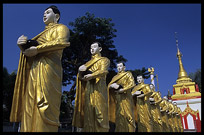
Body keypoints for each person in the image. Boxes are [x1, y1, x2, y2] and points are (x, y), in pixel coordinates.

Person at [9, 5, 70, 132]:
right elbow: (29, 54)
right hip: (34, 71)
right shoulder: (40, 35)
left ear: (57, 16)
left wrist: (37, 49)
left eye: (48, 12)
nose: (44, 15)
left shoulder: (61, 28)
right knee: (29, 105)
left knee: (44, 103)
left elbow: (62, 43)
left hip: (49, 70)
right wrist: (23, 47)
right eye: (43, 13)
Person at [72, 42, 110, 132]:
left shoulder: (104, 60)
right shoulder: (87, 63)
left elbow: (103, 71)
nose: (92, 49)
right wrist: (80, 72)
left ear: (100, 49)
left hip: (99, 88)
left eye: (94, 47)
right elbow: (82, 78)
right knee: (88, 112)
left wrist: (92, 75)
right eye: (90, 48)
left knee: (99, 111)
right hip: (89, 89)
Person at [108, 62, 136, 132]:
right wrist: (111, 86)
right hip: (118, 99)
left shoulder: (127, 74)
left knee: (128, 116)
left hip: (126, 98)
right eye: (118, 67)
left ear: (124, 67)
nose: (119, 68)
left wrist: (122, 89)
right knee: (119, 117)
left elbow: (132, 84)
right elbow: (109, 86)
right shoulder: (115, 77)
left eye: (120, 66)